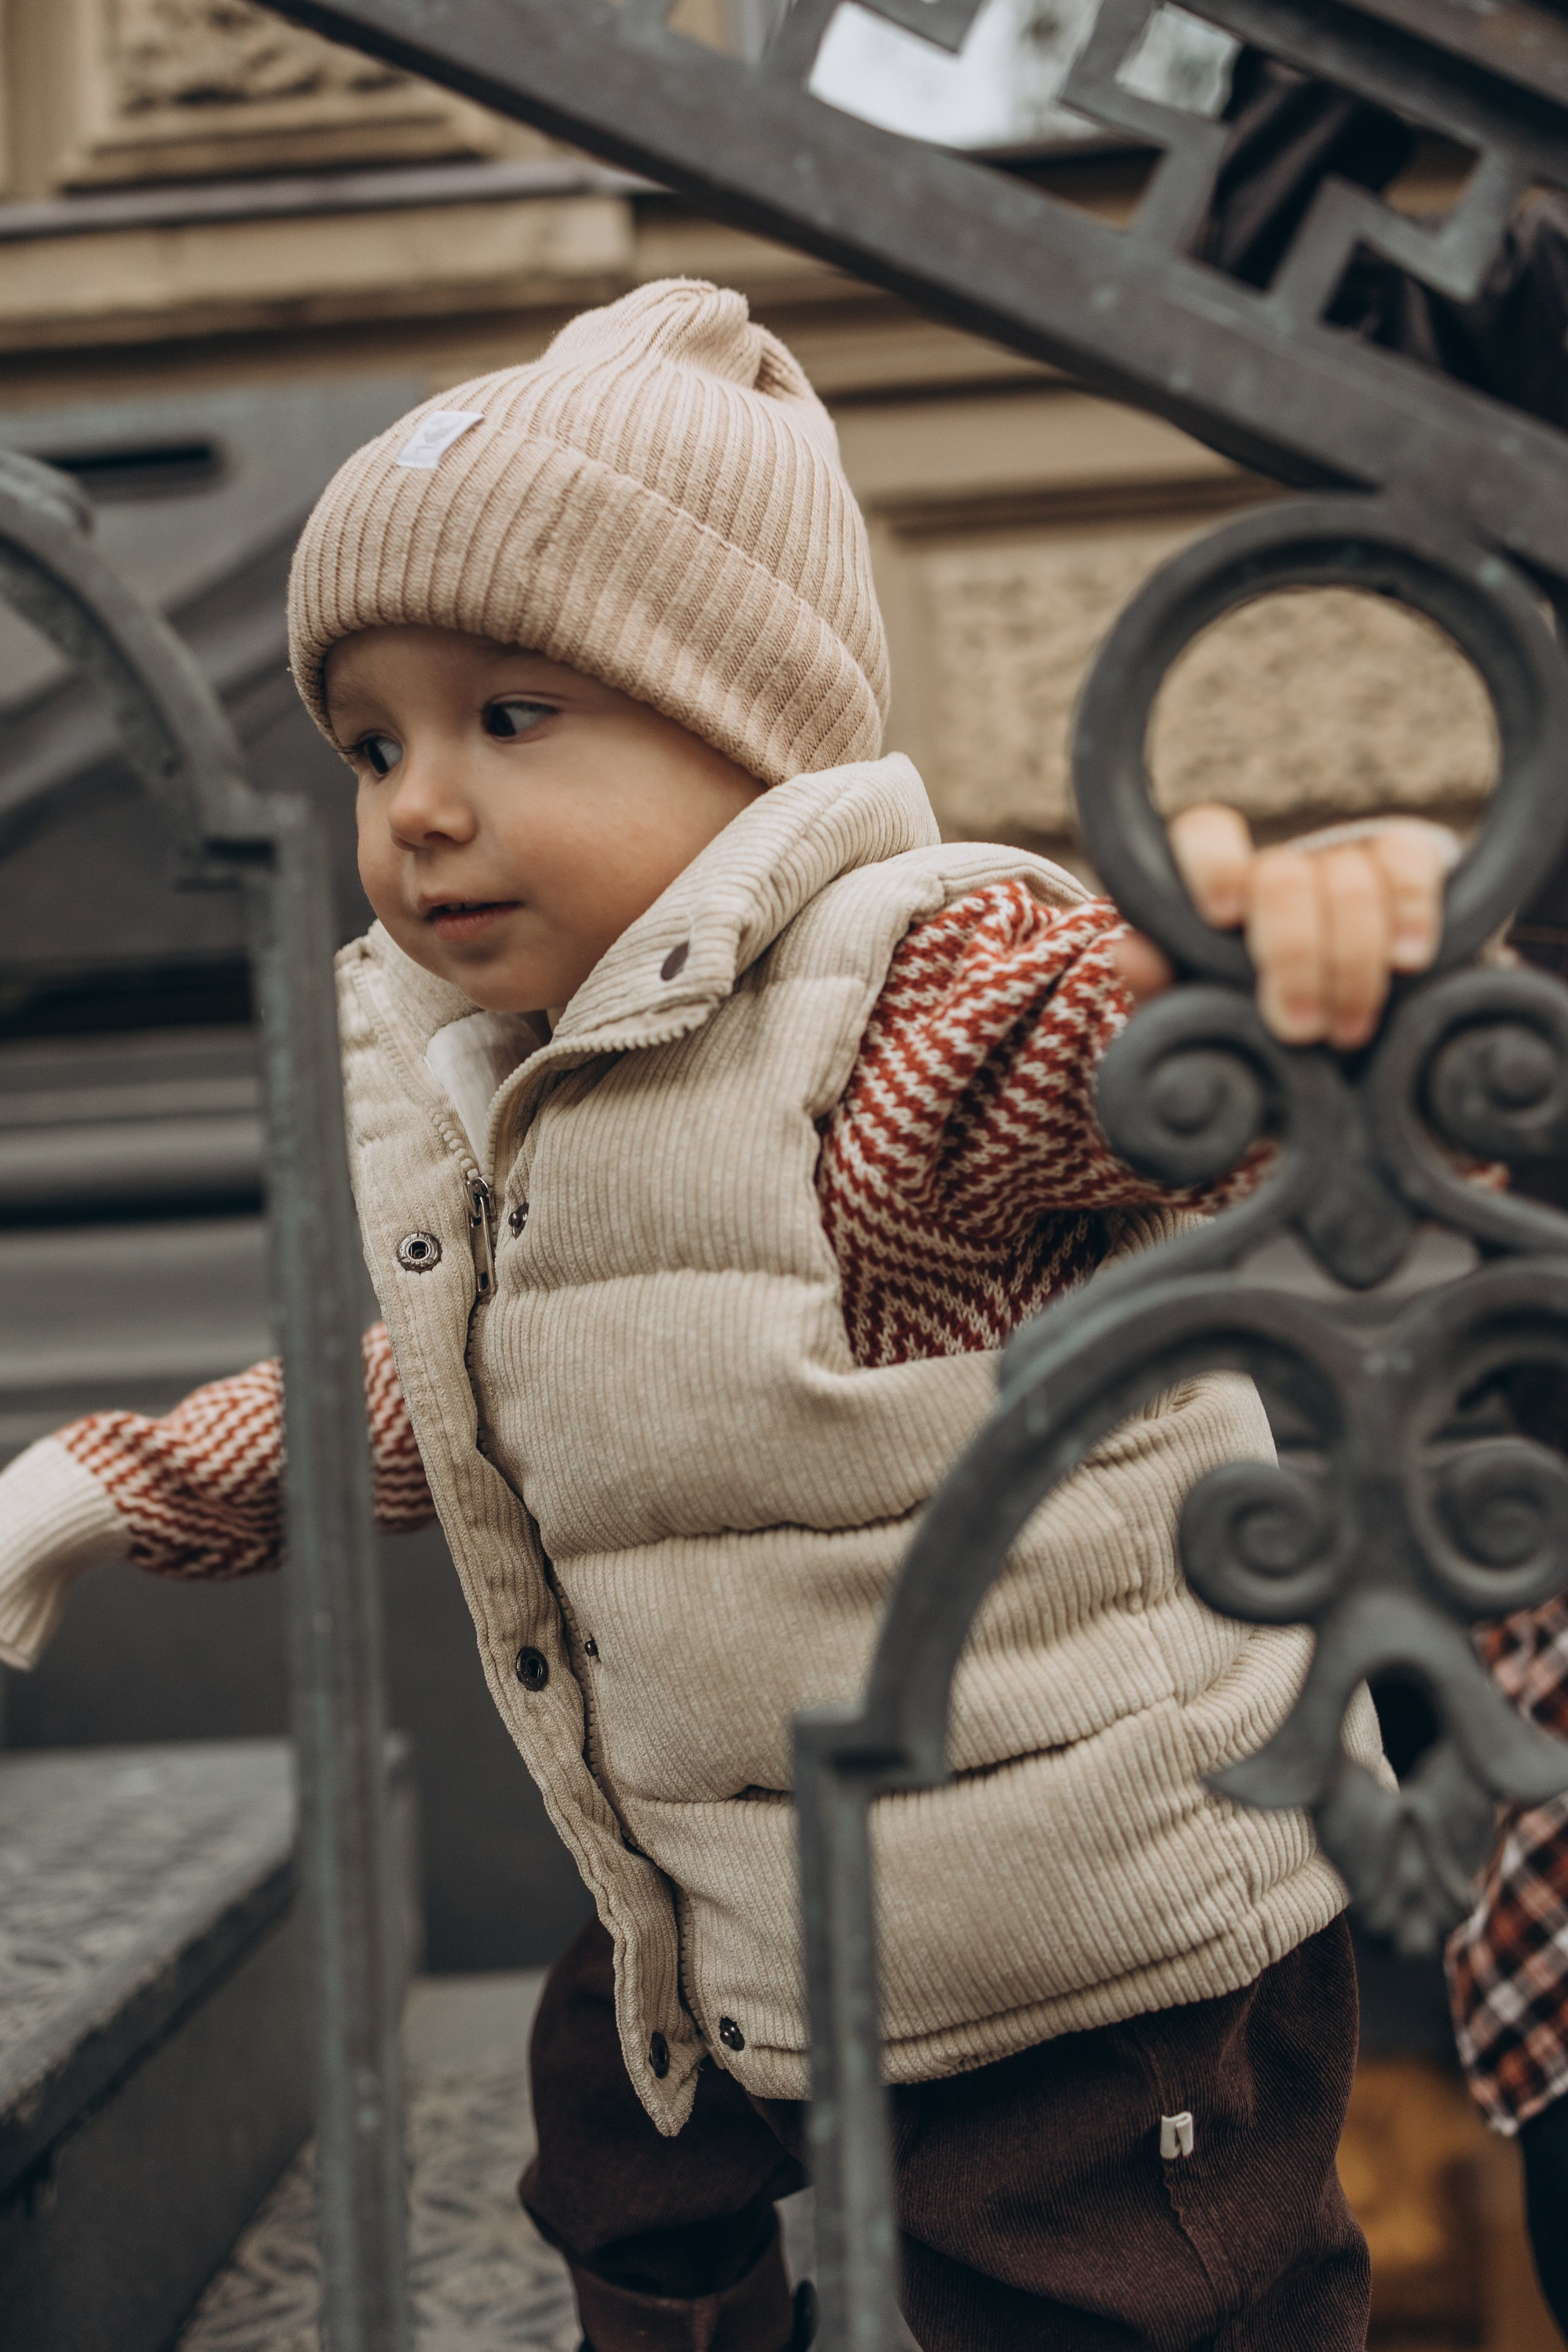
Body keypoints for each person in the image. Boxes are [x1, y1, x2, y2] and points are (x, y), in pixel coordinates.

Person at [0, 277, 1457, 2351]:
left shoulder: (899, 1008)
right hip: (712, 1875)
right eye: (371, 741)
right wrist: (103, 1487)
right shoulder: (510, 1082)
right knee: (618, 2176)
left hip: (1076, 1945)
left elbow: (1124, 1063)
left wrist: (1298, 946)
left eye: (514, 717)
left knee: (1107, 2299)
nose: (416, 806)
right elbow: (450, 1404)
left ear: (749, 735)